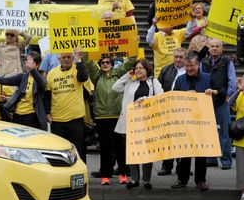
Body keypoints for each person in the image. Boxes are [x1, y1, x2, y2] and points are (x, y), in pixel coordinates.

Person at [112, 59, 163, 190]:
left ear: (147, 70)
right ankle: (135, 179)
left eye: (141, 68)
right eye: (136, 68)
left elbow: (160, 97)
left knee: (147, 150)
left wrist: (146, 99)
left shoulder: (153, 82)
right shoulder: (130, 82)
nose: (138, 70)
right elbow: (115, 87)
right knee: (132, 151)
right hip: (131, 122)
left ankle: (146, 180)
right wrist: (127, 75)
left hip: (147, 121)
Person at [85, 54, 135, 185]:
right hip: (101, 117)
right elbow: (89, 64)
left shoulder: (118, 74)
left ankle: (123, 174)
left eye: (108, 62)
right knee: (105, 148)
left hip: (117, 116)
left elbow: (129, 63)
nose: (105, 64)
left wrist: (133, 47)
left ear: (112, 64)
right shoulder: (96, 77)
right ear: (100, 65)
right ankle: (105, 176)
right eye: (102, 63)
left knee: (119, 147)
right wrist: (84, 51)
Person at [171, 53, 214, 191]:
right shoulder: (180, 80)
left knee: (201, 153)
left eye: (192, 65)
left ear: (198, 65)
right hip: (185, 121)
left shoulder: (208, 78)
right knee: (184, 152)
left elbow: (219, 96)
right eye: (187, 65)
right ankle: (182, 179)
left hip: (202, 121)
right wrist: (184, 96)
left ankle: (200, 180)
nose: (189, 68)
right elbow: (173, 98)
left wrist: (211, 92)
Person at [45, 47, 89, 162]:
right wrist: (47, 112)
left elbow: (83, 77)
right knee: (60, 151)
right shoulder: (52, 73)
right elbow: (48, 95)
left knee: (78, 150)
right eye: (63, 57)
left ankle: (80, 174)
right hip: (57, 120)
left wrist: (79, 59)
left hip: (75, 118)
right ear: (59, 59)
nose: (66, 60)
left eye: (69, 57)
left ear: (73, 58)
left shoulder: (77, 69)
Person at [201, 38, 236, 169]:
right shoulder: (203, 62)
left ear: (221, 49)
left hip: (222, 100)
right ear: (208, 48)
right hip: (207, 101)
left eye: (217, 46)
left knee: (224, 133)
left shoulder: (227, 62)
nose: (214, 48)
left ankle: (226, 160)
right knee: (209, 131)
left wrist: (228, 95)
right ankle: (211, 159)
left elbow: (232, 80)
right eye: (212, 46)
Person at [0, 51, 47, 130]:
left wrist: (32, 70)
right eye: (27, 61)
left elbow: (42, 84)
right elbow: (5, 81)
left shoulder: (40, 77)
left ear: (37, 64)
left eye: (30, 61)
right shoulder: (22, 77)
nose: (27, 63)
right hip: (17, 115)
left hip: (31, 117)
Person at [156, 48, 187, 175]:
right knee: (167, 138)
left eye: (181, 57)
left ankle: (182, 167)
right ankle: (166, 166)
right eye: (176, 57)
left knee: (182, 139)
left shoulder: (190, 70)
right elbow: (158, 87)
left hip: (184, 109)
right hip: (167, 108)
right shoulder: (165, 70)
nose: (178, 59)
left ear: (185, 58)